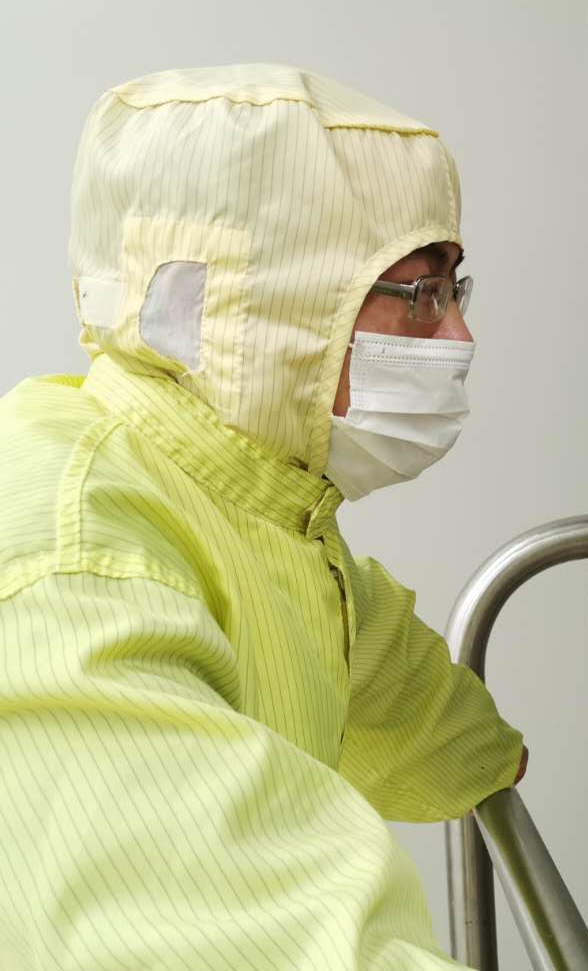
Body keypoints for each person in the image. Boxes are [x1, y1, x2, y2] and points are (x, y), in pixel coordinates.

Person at [0, 65, 526, 967]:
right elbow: (235, 934)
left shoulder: (249, 505)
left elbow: (365, 662)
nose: (458, 339)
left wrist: (489, 757)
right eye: (422, 296)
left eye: (455, 291)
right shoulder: (74, 552)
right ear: (271, 308)